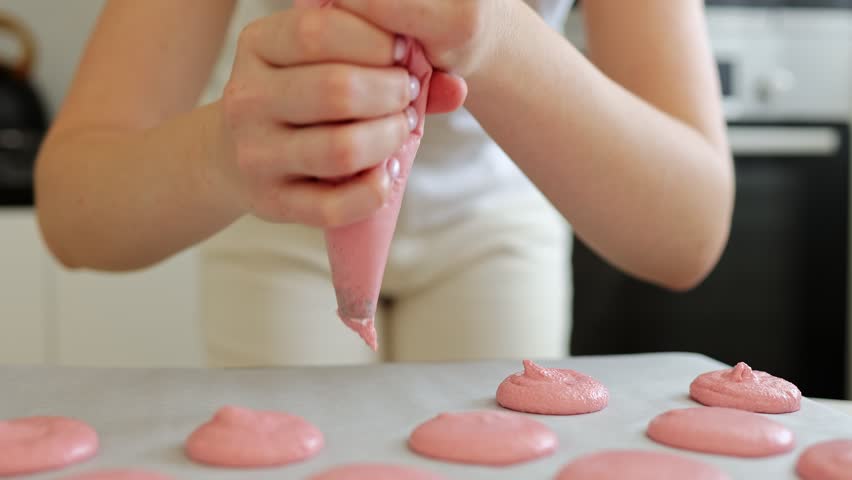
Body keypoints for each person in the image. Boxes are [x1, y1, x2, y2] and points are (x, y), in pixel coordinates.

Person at [35, 0, 733, 367]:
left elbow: (688, 232)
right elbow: (72, 211)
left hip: (495, 225)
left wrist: (494, 35)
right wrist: (223, 153)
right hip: (279, 220)